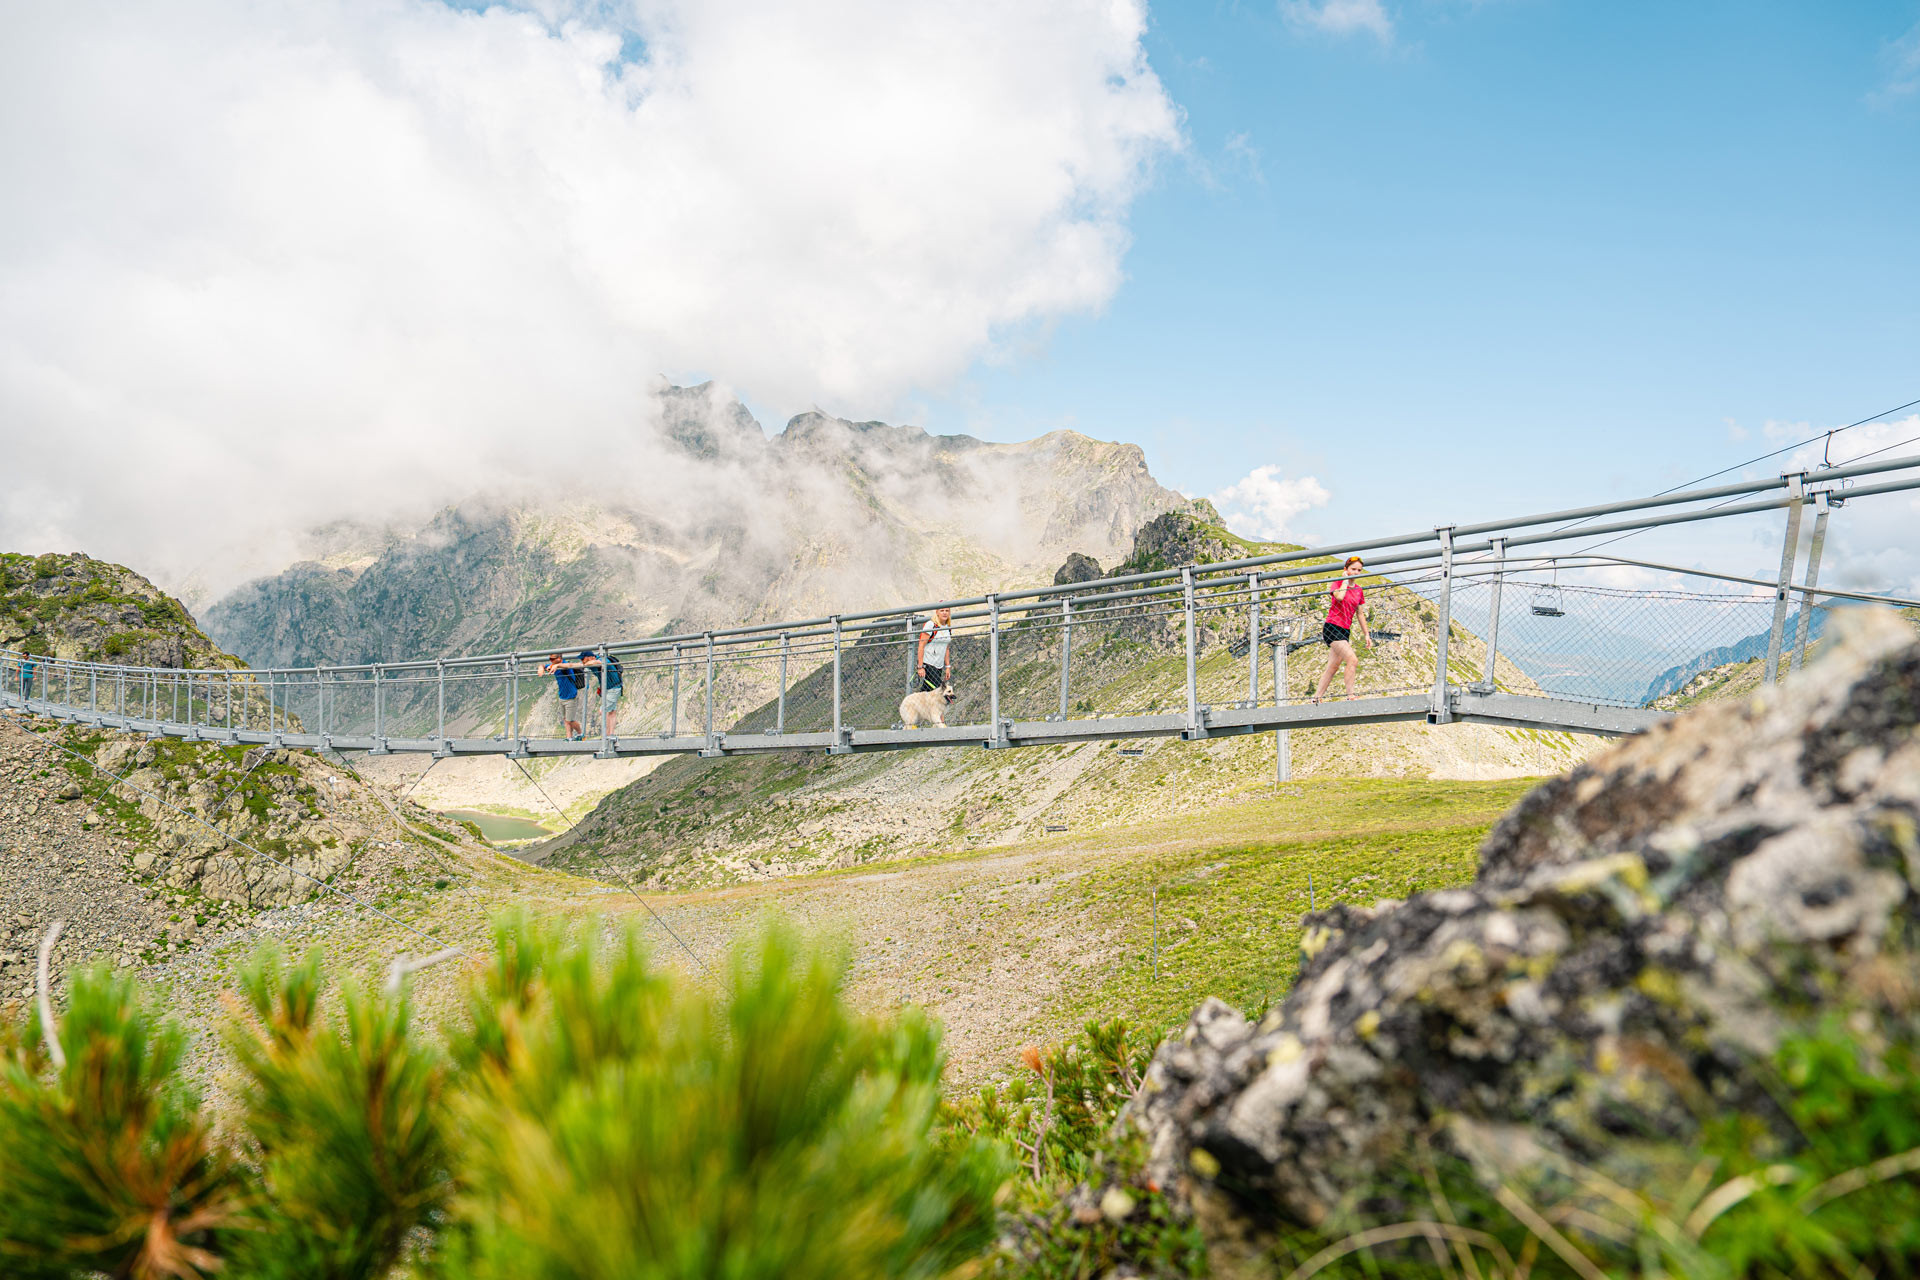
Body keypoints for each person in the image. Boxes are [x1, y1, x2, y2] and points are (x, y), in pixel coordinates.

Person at [1313, 556, 1372, 702]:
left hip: (1345, 630)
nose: (1356, 572)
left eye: (1359, 570)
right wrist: (1345, 580)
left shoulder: (1359, 590)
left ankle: (1316, 698)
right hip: (1332, 627)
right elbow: (1339, 597)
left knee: (1333, 666)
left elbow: (1360, 613)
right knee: (1352, 659)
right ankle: (1350, 696)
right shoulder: (1338, 583)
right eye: (1353, 569)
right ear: (1345, 569)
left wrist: (1366, 634)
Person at [578, 648, 623, 736]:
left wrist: (586, 664)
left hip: (614, 688)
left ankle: (606, 736)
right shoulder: (591, 663)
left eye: (583, 658)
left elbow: (598, 663)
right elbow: (574, 664)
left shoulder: (602, 659)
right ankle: (610, 734)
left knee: (603, 710)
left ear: (590, 657)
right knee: (612, 711)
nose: (581, 661)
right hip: (607, 689)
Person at [542, 652, 584, 740]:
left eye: (553, 659)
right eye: (550, 659)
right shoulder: (553, 665)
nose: (551, 661)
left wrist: (557, 666)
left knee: (570, 720)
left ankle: (580, 734)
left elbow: (569, 665)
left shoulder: (565, 665)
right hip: (562, 696)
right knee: (566, 719)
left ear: (559, 658)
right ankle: (569, 737)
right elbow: (543, 665)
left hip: (571, 696)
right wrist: (541, 668)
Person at [916, 607, 953, 692]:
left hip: (939, 666)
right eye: (942, 610)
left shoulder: (948, 627)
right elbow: (921, 645)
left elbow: (946, 648)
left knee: (928, 691)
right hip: (928, 664)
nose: (944, 613)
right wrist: (920, 667)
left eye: (947, 611)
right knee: (940, 690)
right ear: (937, 612)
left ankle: (914, 704)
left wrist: (947, 667)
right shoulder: (931, 625)